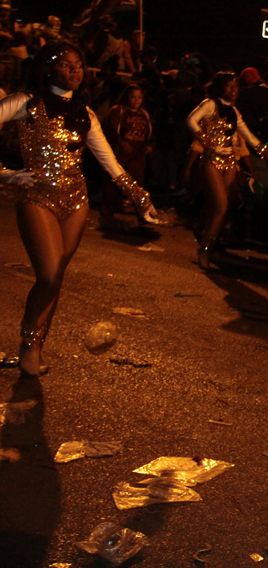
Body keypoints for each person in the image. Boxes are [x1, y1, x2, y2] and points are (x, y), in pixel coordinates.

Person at [0, 43, 158, 377]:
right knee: (49, 274)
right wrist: (6, 173)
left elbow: (109, 161)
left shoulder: (86, 114)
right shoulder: (26, 102)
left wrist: (140, 198)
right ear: (48, 69)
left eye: (79, 66)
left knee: (56, 278)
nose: (74, 71)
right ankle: (28, 345)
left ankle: (35, 347)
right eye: (65, 65)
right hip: (36, 194)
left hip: (75, 199)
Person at [186, 71, 268, 270]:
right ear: (220, 87)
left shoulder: (234, 112)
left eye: (236, 86)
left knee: (223, 207)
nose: (234, 90)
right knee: (220, 206)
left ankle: (207, 242)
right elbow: (190, 121)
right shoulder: (210, 105)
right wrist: (207, 141)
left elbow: (249, 137)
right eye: (229, 86)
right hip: (211, 161)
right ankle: (204, 252)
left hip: (230, 162)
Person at [101, 83, 154, 226]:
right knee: (113, 182)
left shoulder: (144, 113)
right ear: (127, 97)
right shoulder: (118, 110)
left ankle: (142, 215)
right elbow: (111, 129)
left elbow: (150, 132)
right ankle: (107, 212)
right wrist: (120, 142)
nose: (136, 100)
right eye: (133, 97)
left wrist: (150, 145)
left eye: (139, 97)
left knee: (137, 185)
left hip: (137, 154)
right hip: (120, 153)